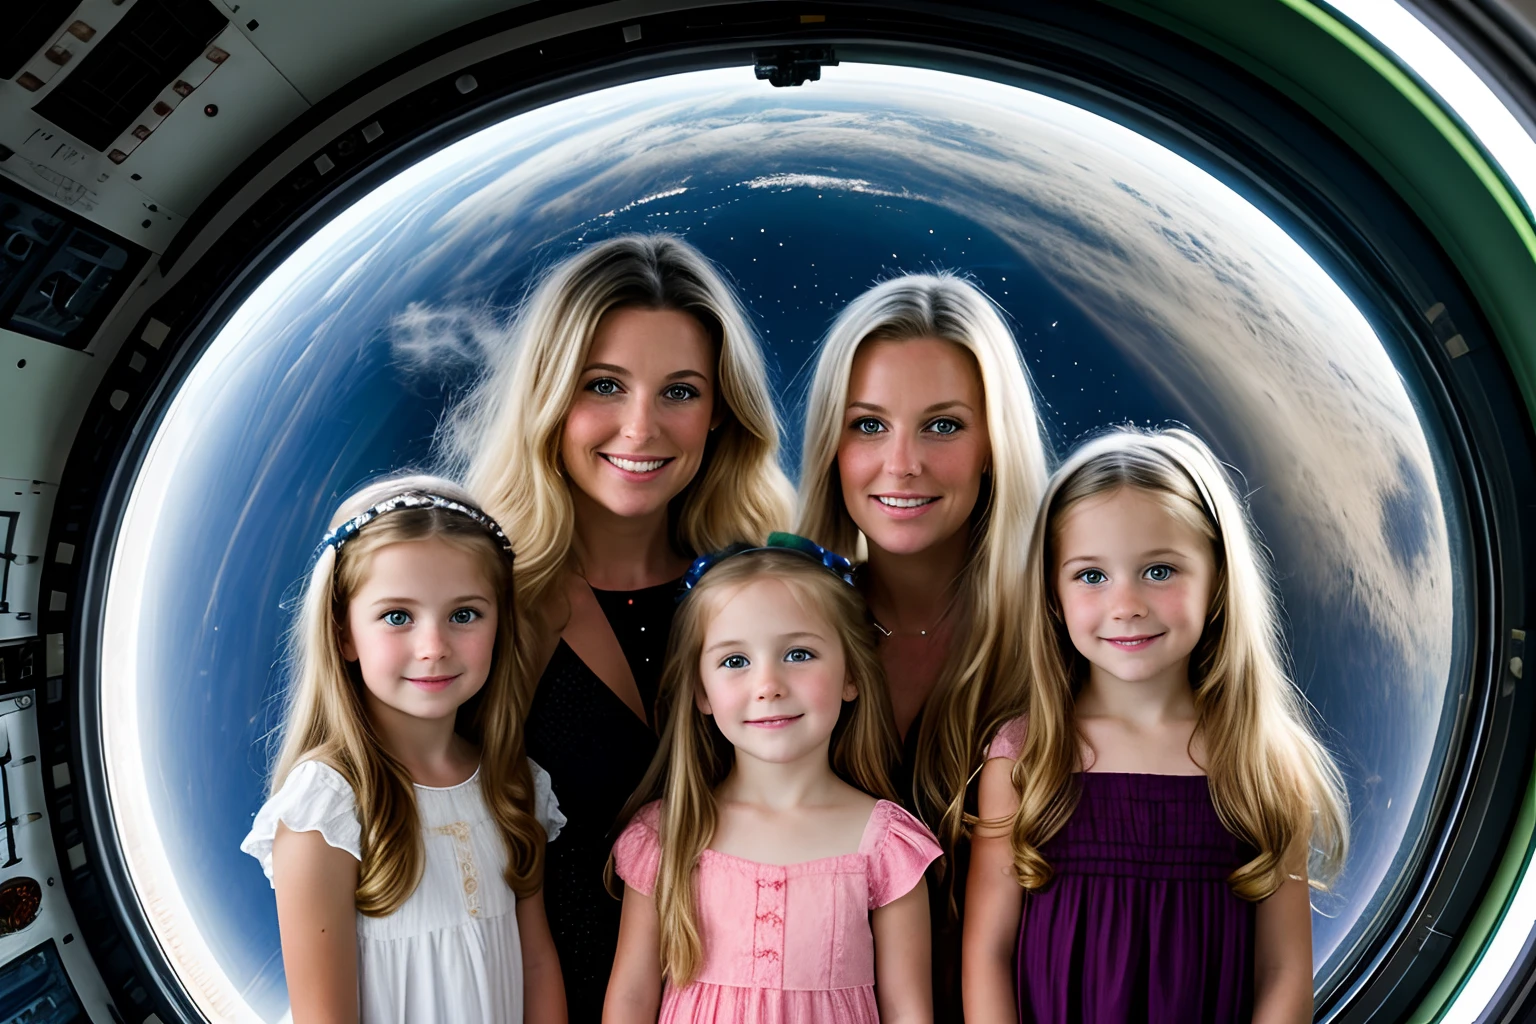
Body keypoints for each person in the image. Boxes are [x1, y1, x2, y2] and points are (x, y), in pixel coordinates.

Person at [442, 234, 793, 1017]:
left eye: (680, 391)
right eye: (604, 385)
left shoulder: (772, 598)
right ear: (548, 395)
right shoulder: (476, 610)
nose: (641, 428)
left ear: (721, 413)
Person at [962, 428, 1350, 1023]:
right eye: (1092, 576)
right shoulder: (1024, 758)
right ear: (1052, 593)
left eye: (1160, 571)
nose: (1127, 605)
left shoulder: (1260, 763)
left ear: (1218, 579)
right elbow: (989, 953)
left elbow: (1284, 971)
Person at [796, 272, 1050, 1016]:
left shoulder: (1063, 643)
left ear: (993, 447)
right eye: (869, 424)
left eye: (943, 425)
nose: (901, 463)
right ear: (831, 446)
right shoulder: (777, 641)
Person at [241, 475, 566, 1023]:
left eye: (464, 615)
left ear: (500, 625)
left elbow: (536, 966)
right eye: (398, 617)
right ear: (345, 633)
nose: (433, 647)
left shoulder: (516, 786)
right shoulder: (326, 809)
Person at [603, 536, 938, 1024]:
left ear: (852, 676)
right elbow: (631, 1000)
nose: (768, 686)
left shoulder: (887, 845)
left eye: (799, 654)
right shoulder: (667, 836)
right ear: (701, 692)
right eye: (735, 662)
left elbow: (909, 1010)